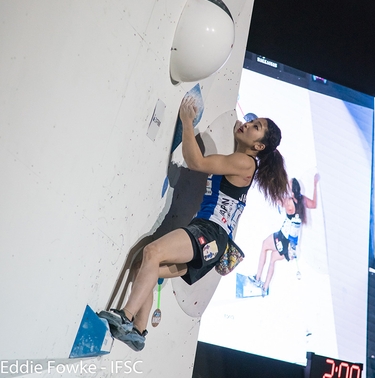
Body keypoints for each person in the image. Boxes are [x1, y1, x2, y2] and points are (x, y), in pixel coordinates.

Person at [98, 96, 288, 351]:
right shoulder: (242, 159)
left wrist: (187, 121)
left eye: (256, 127)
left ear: (259, 146)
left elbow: (196, 161)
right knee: (143, 266)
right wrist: (240, 132)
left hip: (210, 233)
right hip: (212, 242)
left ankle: (125, 316)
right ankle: (138, 332)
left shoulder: (244, 162)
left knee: (152, 252)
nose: (248, 124)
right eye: (252, 121)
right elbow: (235, 139)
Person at [249, 173, 319, 295]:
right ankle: (265, 288)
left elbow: (275, 198)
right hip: (291, 246)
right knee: (272, 260)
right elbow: (313, 204)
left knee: (264, 245)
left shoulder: (288, 202)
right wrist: (314, 185)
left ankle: (257, 278)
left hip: (283, 238)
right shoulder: (302, 200)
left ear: (292, 190)